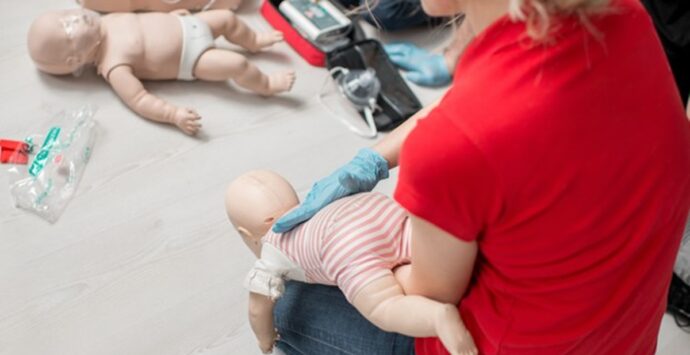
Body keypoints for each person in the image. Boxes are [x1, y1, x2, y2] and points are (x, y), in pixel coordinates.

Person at [271, 0, 690, 353]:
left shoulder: (452, 150)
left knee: (288, 309)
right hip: (623, 337)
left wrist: (347, 254)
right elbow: (476, 107)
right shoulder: (625, 16)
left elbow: (426, 300)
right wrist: (373, 160)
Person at [225, 170, 477, 354]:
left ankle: (436, 317)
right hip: (376, 210)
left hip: (347, 242)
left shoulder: (271, 251)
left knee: (385, 305)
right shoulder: (317, 205)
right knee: (413, 255)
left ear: (246, 235)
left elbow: (258, 309)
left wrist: (265, 339)